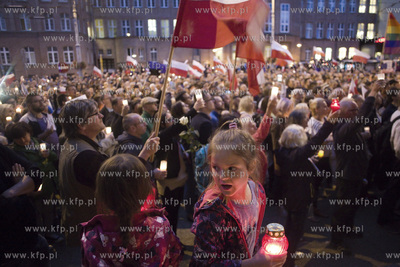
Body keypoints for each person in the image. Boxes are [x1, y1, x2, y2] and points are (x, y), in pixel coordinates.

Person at [190, 127, 287, 266]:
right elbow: (201, 264)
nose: (222, 177)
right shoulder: (211, 213)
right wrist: (252, 263)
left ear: (251, 166)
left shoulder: (257, 191)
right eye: (216, 167)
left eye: (232, 168)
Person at [81, 154, 183, 266]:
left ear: (102, 194)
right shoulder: (159, 227)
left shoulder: (91, 235)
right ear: (145, 191)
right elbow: (173, 259)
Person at [276, 110, 339, 267]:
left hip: (289, 196)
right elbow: (316, 141)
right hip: (298, 198)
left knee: (289, 227)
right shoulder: (297, 155)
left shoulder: (282, 152)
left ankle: (286, 255)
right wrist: (330, 122)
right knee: (295, 232)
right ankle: (288, 262)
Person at [330, 80, 382, 253]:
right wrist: (373, 92)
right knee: (343, 209)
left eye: (356, 109)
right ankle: (336, 241)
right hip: (347, 176)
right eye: (353, 110)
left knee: (352, 206)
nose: (356, 112)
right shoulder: (343, 129)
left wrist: (365, 136)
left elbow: (357, 120)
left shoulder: (347, 126)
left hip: (356, 173)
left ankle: (349, 229)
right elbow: (361, 118)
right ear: (344, 114)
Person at [58, 99, 109, 246]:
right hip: (94, 233)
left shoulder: (71, 143)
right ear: (81, 124)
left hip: (80, 227)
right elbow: (117, 186)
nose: (101, 116)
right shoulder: (86, 156)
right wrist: (142, 158)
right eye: (96, 113)